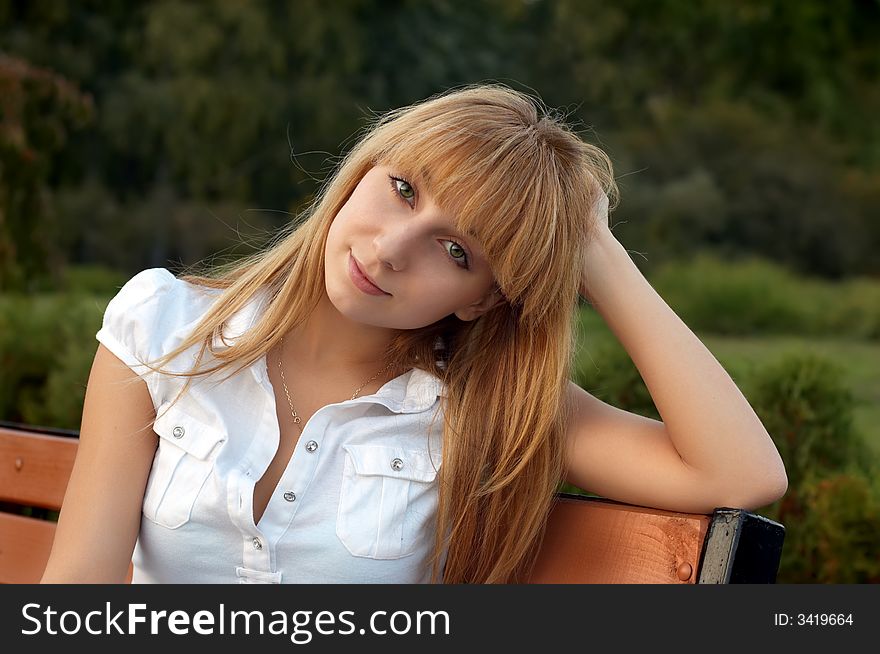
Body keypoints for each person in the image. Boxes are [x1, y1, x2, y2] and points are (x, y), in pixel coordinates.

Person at [40, 83, 787, 585]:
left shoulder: (492, 406)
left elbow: (742, 476)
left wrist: (592, 247)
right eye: (402, 189)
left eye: (458, 251)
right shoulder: (167, 327)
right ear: (364, 169)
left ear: (482, 300)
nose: (394, 247)